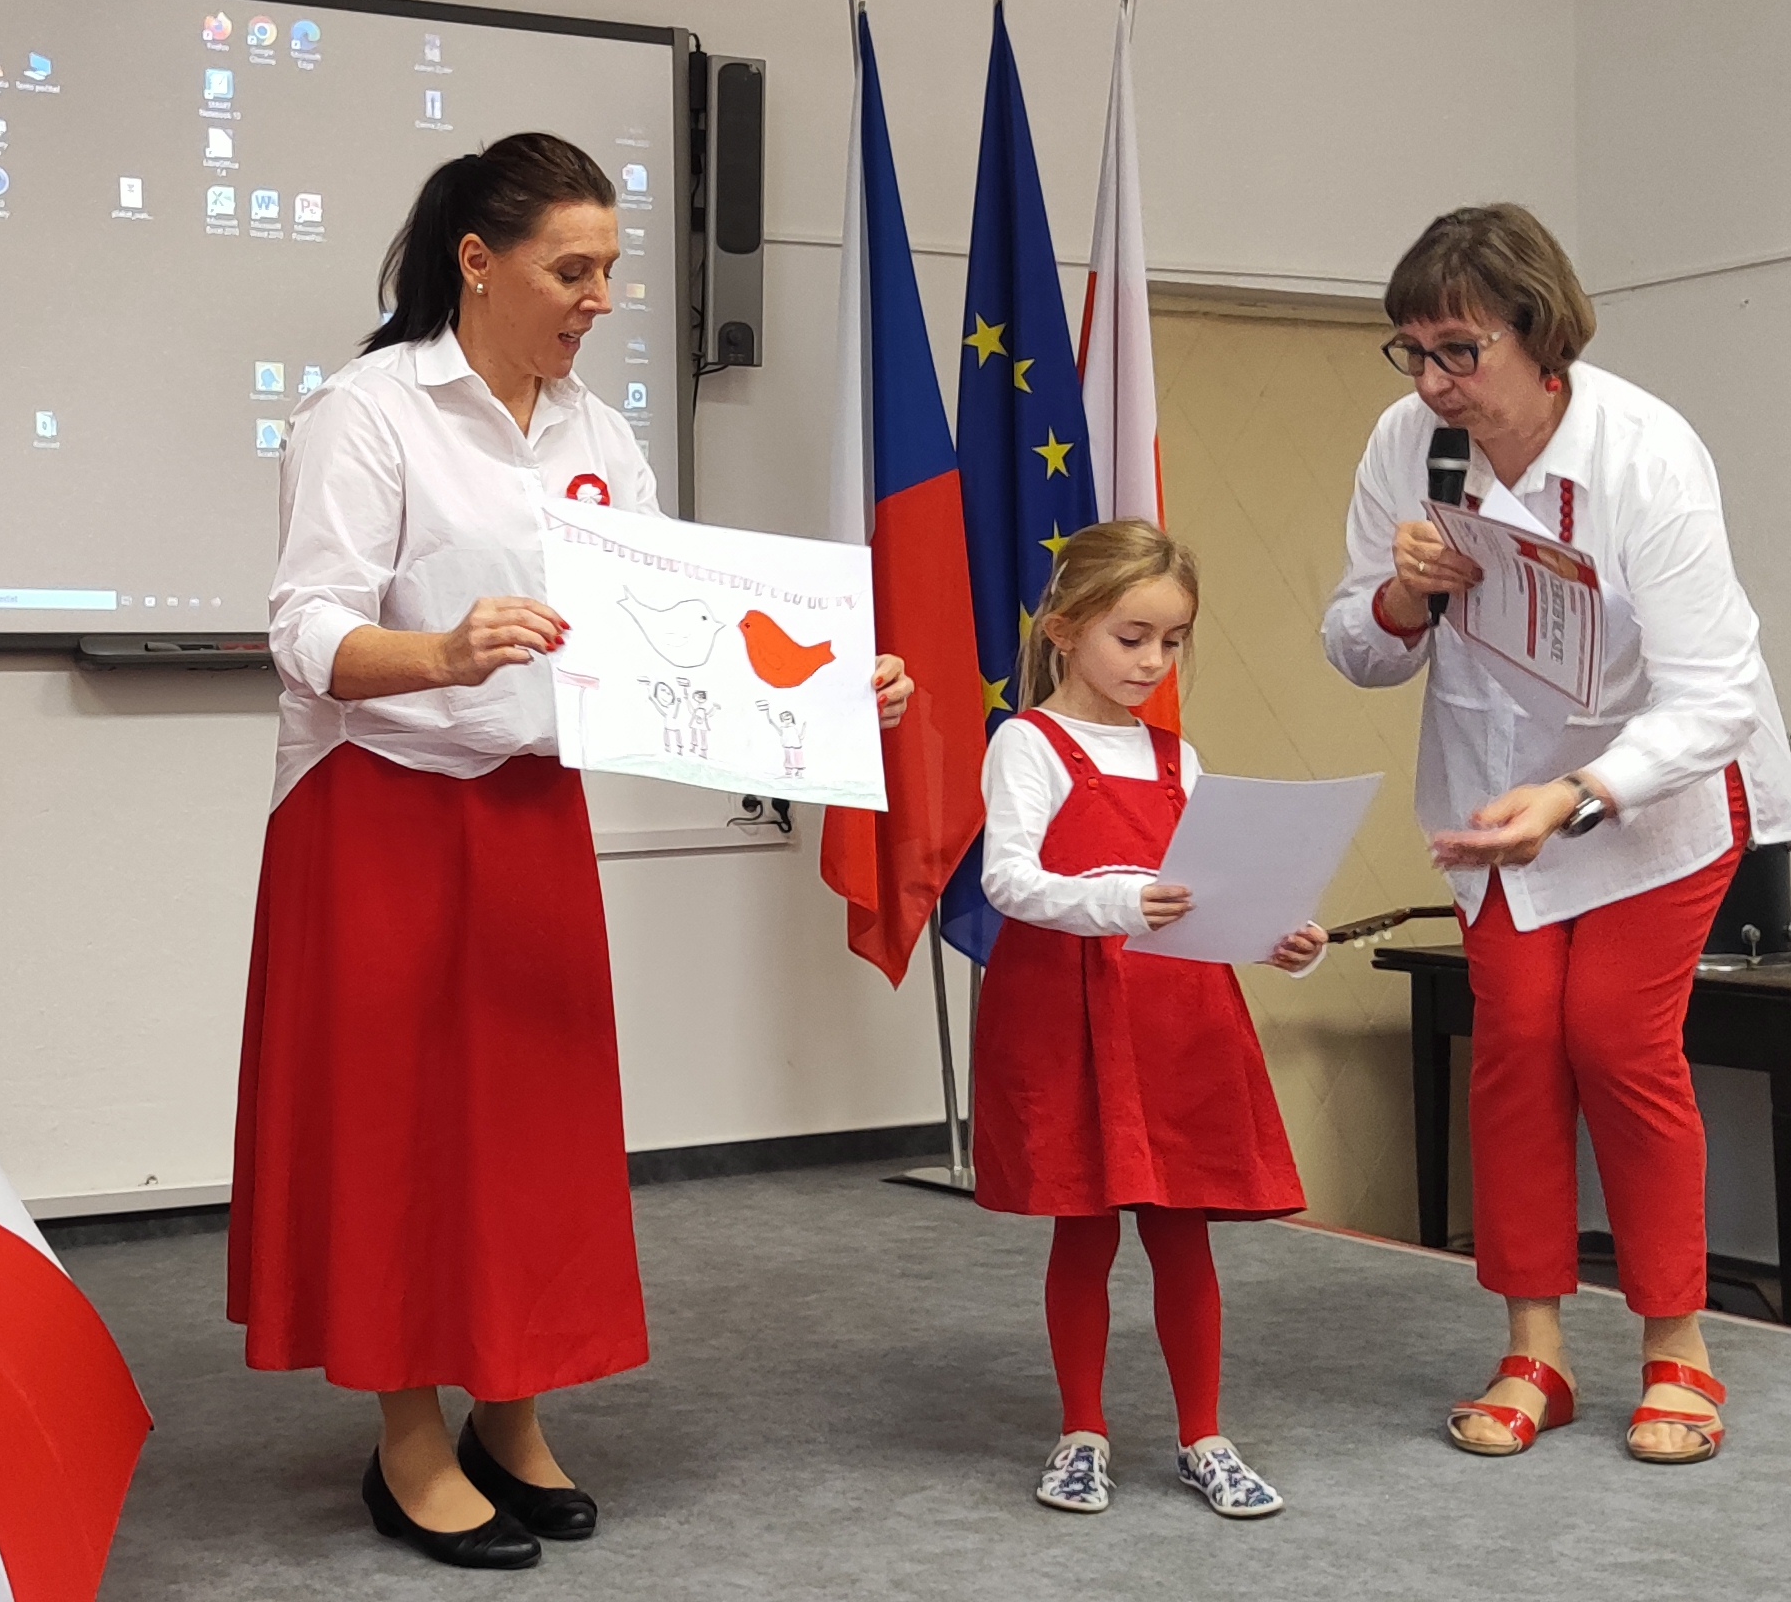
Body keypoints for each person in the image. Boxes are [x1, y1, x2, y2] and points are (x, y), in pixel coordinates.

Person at [231, 132, 915, 1570]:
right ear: (478, 264)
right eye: (573, 269)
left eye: (611, 269)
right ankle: (409, 1437)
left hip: (529, 811)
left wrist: (823, 699)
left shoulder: (599, 435)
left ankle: (512, 1411)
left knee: (530, 1126)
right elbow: (302, 628)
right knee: (400, 1127)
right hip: (379, 808)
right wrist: (440, 649)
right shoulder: (368, 411)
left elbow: (680, 643)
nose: (601, 298)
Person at [1320, 204, 1791, 1465]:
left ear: (1539, 336)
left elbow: (1714, 695)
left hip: (1652, 791)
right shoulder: (1407, 441)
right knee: (1516, 1049)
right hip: (1493, 794)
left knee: (1613, 1038)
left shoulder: (1645, 452)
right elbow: (1356, 649)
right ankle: (1532, 1350)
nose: (1432, 384)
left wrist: (1581, 792)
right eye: (1412, 352)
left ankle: (1677, 1346)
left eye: (1459, 351)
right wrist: (1402, 597)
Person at [977, 521, 1326, 1519]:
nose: (1153, 661)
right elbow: (1007, 880)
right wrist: (1120, 901)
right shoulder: (1027, 743)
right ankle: (1081, 1431)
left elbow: (1212, 895)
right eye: (1131, 637)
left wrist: (1278, 938)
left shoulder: (1180, 757)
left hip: (1177, 1017)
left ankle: (1203, 1435)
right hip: (1070, 1014)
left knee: (1183, 1233)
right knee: (1084, 1229)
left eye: (1172, 641)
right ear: (1063, 630)